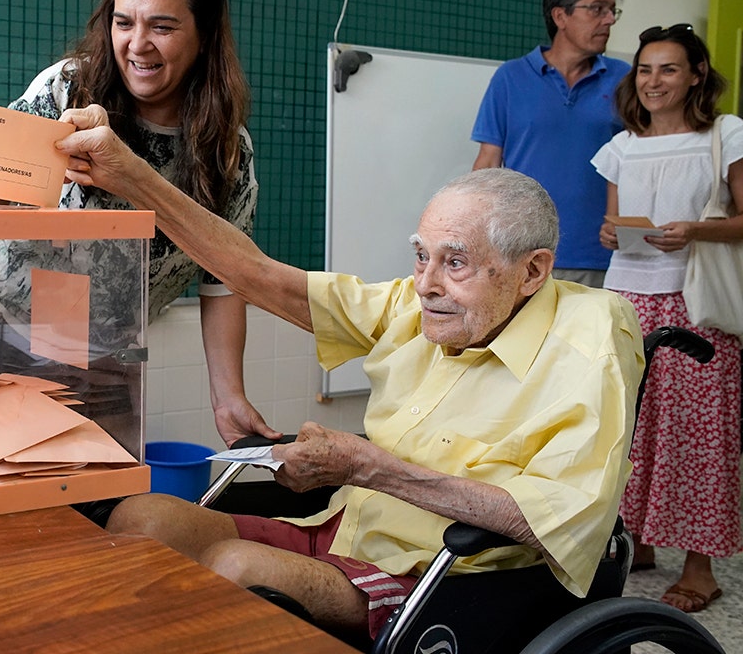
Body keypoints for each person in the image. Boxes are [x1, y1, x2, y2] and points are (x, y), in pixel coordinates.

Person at [53, 108, 643, 642]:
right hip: (345, 533)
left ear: (532, 272)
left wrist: (366, 465)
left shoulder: (592, 336)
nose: (426, 283)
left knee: (237, 569)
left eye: (454, 261)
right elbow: (257, 276)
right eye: (421, 255)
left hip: (439, 578)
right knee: (142, 516)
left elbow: (556, 519)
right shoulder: (422, 305)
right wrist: (131, 178)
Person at [0, 0, 277, 444]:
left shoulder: (226, 150)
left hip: (106, 352)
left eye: (162, 27)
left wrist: (228, 397)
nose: (138, 44)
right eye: (124, 23)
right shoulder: (68, 89)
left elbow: (224, 278)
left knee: (95, 502)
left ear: (204, 34)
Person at [593, 23, 743, 614]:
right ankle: (643, 540)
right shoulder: (621, 146)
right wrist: (611, 232)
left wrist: (696, 230)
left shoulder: (726, 134)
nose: (654, 82)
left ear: (697, 75)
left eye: (669, 69)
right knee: (632, 428)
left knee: (698, 434)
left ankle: (701, 569)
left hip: (697, 302)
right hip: (629, 298)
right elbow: (614, 226)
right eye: (646, 69)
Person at [472, 0, 628, 288]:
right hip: (523, 253)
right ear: (561, 16)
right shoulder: (510, 78)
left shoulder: (626, 79)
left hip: (603, 256)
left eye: (612, 10)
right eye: (597, 9)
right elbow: (488, 162)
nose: (609, 19)